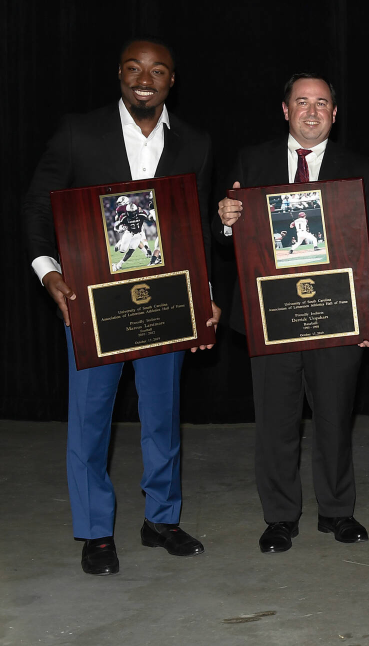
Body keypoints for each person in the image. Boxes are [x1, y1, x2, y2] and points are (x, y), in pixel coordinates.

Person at [21, 37, 220, 576]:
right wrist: (49, 272)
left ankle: (161, 520)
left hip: (166, 305)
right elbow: (38, 204)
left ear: (171, 80)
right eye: (134, 68)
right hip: (91, 305)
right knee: (90, 422)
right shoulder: (78, 132)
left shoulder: (196, 143)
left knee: (163, 418)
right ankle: (95, 532)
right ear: (119, 74)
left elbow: (195, 230)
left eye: (157, 70)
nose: (144, 78)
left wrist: (204, 299)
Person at [216, 73, 369, 553]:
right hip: (272, 316)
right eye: (302, 102)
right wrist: (225, 222)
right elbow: (225, 233)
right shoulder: (253, 160)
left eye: (322, 103)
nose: (312, 111)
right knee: (276, 421)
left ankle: (337, 512)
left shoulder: (361, 167)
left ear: (335, 113)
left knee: (334, 417)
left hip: (338, 313)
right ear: (285, 109)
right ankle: (279, 518)